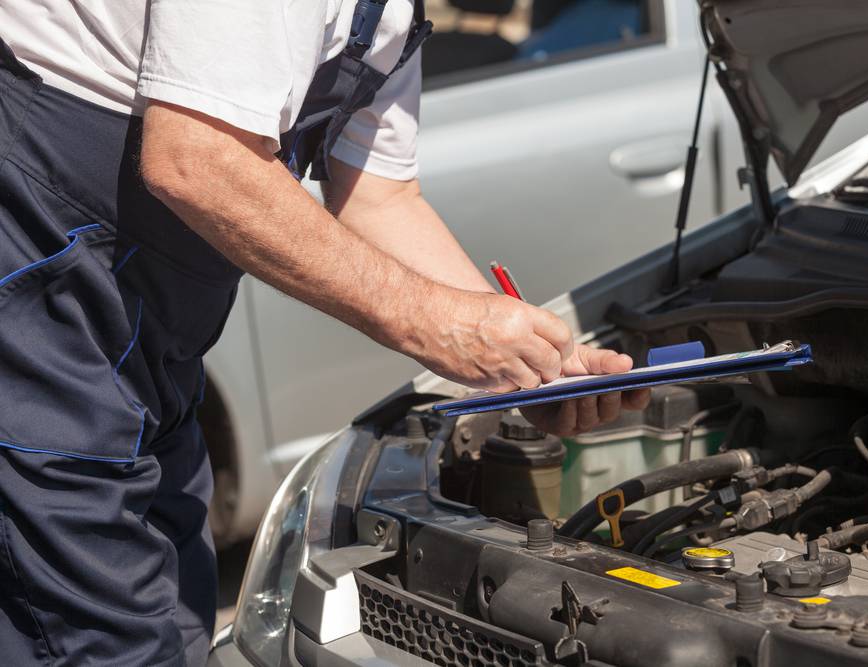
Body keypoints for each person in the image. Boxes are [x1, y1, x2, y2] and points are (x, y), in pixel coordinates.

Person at [0, 1, 648, 664]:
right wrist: (437, 323)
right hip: (45, 319)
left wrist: (529, 363)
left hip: (148, 365)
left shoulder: (394, 14)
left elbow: (379, 193)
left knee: (179, 622)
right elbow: (196, 158)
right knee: (103, 640)